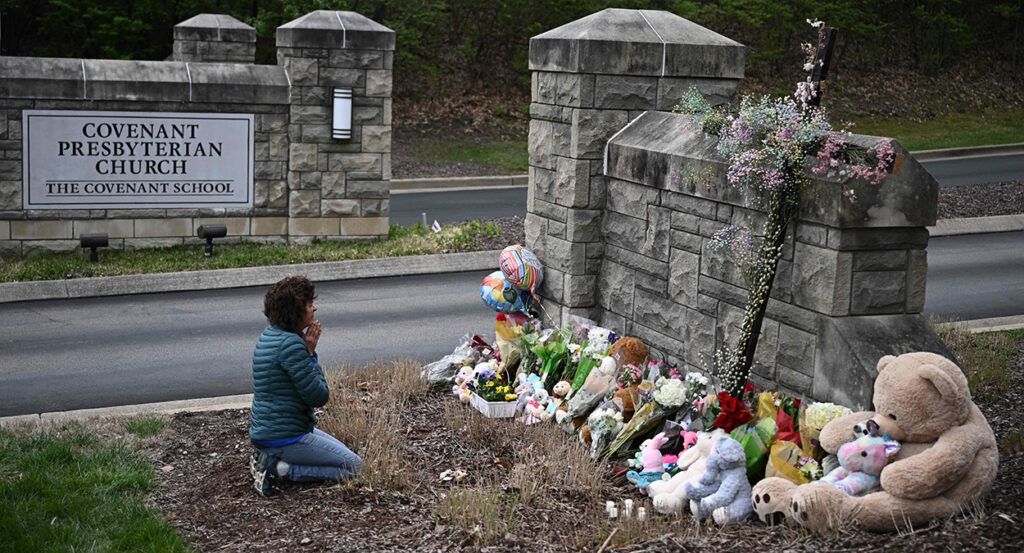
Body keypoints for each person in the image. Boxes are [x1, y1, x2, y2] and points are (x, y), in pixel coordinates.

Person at [248, 276, 362, 497]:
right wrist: (310, 353)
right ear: (295, 312)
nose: (315, 307)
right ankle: (280, 469)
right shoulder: (292, 345)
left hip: (271, 431)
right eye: (309, 304)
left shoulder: (270, 335)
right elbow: (318, 396)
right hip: (285, 436)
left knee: (349, 457)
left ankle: (265, 457)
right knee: (357, 468)